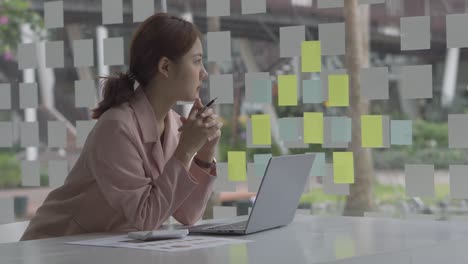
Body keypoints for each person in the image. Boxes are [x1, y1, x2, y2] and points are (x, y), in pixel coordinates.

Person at [20, 13, 222, 240]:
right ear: (165, 67)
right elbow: (146, 217)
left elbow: (187, 214)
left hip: (102, 248)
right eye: (196, 61)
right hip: (55, 248)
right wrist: (185, 151)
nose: (203, 73)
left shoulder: (173, 125)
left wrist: (204, 156)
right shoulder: (117, 127)